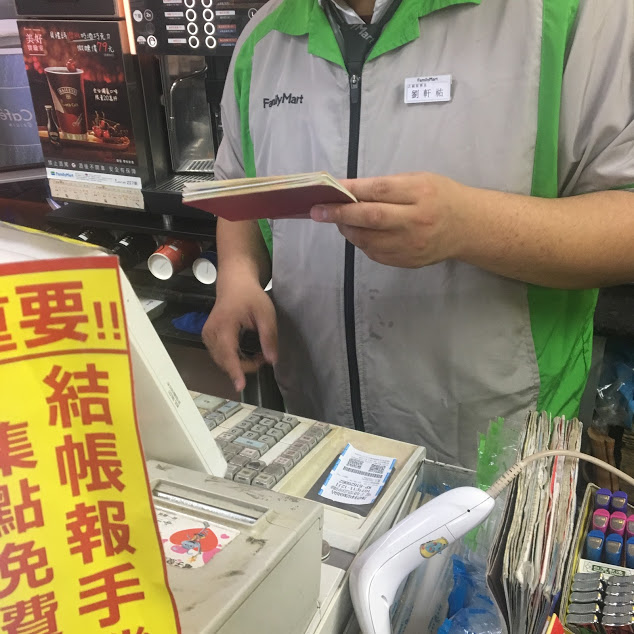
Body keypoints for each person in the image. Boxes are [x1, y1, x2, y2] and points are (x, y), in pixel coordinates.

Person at [202, 0, 634, 468]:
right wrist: (237, 276)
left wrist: (469, 226)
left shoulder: (577, 13)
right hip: (319, 432)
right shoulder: (265, 38)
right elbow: (240, 190)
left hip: (503, 447)